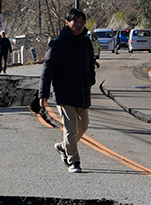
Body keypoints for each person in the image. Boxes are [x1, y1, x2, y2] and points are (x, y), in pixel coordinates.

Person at [39, 8, 96, 173]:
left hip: (82, 92)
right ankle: (74, 162)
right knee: (70, 129)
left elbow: (90, 63)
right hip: (64, 93)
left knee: (83, 127)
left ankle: (63, 147)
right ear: (67, 23)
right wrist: (43, 94)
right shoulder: (58, 44)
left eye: (81, 22)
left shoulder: (86, 42)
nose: (78, 25)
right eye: (75, 22)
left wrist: (91, 80)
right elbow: (47, 70)